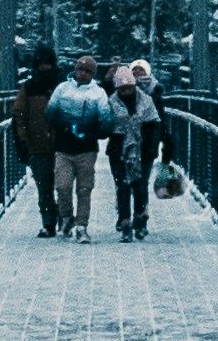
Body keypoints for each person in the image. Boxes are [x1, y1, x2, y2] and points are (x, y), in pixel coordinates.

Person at [103, 62, 171, 239]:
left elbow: (156, 123)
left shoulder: (146, 101)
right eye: (122, 88)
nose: (126, 92)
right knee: (123, 186)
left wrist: (152, 147)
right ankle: (125, 222)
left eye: (129, 88)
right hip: (119, 149)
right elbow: (104, 124)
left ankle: (139, 220)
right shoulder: (111, 102)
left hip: (143, 148)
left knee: (140, 186)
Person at [50, 51, 111, 233]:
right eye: (80, 69)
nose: (82, 73)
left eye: (87, 71)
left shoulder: (98, 93)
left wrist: (93, 132)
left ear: (92, 74)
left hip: (86, 149)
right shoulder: (62, 89)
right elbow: (51, 113)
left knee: (84, 189)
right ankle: (67, 216)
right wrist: (64, 125)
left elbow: (106, 120)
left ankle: (81, 225)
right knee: (62, 186)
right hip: (63, 147)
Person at [10, 47, 65, 236]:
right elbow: (19, 115)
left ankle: (62, 217)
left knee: (62, 185)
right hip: (39, 145)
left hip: (61, 144)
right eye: (42, 64)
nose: (45, 67)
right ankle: (49, 222)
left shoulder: (62, 85)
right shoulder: (29, 88)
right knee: (45, 186)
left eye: (47, 63)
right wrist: (24, 141)